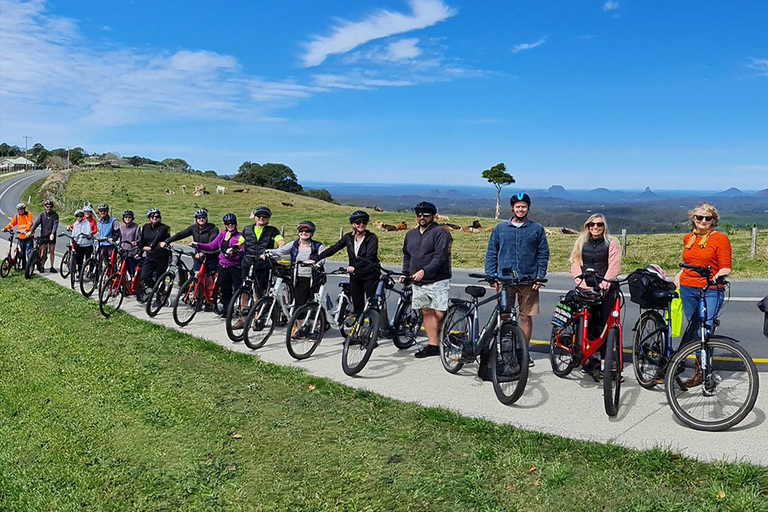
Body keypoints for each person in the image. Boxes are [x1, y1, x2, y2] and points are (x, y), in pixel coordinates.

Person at [484, 192, 549, 367]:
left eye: (524, 206)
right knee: (504, 316)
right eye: (518, 206)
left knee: (526, 317)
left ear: (528, 208)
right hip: (505, 280)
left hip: (528, 280)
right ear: (512, 208)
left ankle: (523, 352)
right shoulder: (500, 229)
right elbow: (492, 252)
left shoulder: (536, 229)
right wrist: (491, 274)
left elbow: (543, 254)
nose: (521, 209)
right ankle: (505, 351)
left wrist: (539, 276)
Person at [568, 213, 621, 376]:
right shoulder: (581, 242)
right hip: (586, 287)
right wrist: (581, 283)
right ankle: (590, 358)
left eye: (599, 225)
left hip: (606, 289)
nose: (595, 227)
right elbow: (575, 263)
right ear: (587, 226)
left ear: (604, 226)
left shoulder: (612, 243)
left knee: (606, 324)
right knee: (588, 323)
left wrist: (605, 282)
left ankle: (606, 360)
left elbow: (614, 265)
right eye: (592, 225)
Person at [401, 201, 452, 358]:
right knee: (426, 312)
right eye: (419, 215)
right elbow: (407, 256)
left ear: (434, 216)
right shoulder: (410, 234)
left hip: (438, 279)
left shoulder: (440, 233)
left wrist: (425, 271)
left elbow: (440, 257)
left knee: (439, 313)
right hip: (419, 281)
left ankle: (442, 334)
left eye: (426, 215)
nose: (422, 217)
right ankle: (433, 345)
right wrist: (405, 273)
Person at [674, 202, 732, 331]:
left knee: (705, 327)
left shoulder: (720, 239)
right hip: (687, 287)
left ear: (713, 221)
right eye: (699, 217)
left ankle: (704, 350)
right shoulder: (688, 238)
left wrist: (718, 276)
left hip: (710, 288)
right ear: (693, 219)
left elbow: (726, 267)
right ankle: (697, 351)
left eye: (708, 218)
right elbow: (691, 263)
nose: (703, 221)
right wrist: (680, 273)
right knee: (693, 327)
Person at [311, 210, 379, 316]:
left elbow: (370, 257)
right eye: (358, 222)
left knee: (372, 305)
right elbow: (334, 249)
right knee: (357, 306)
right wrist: (316, 259)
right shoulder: (348, 237)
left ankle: (374, 329)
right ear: (353, 225)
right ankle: (359, 331)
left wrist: (354, 267)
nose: (361, 224)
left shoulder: (371, 238)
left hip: (369, 275)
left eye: (364, 222)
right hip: (355, 276)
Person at [162, 209, 219, 311]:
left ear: (206, 218)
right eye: (199, 218)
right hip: (198, 257)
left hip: (210, 257)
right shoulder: (194, 228)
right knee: (196, 277)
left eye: (203, 217)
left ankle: (210, 301)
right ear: (196, 219)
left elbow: (212, 243)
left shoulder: (213, 228)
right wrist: (167, 241)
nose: (201, 219)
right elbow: (180, 234)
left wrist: (204, 252)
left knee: (208, 277)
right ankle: (198, 299)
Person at [192, 213, 243, 317]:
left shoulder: (239, 236)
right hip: (223, 265)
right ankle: (226, 309)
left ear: (236, 223)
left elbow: (243, 249)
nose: (230, 225)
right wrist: (198, 244)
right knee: (225, 289)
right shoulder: (222, 234)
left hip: (235, 266)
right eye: (228, 223)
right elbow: (212, 246)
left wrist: (235, 251)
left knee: (238, 288)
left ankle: (240, 309)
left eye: (232, 223)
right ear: (225, 224)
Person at [267, 221, 326, 308]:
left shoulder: (317, 246)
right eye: (301, 231)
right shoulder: (294, 244)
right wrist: (267, 252)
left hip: (313, 279)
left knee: (314, 303)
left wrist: (315, 263)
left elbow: (322, 258)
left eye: (307, 231)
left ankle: (315, 319)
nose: (304, 233)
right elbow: (280, 251)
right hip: (297, 278)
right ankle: (298, 321)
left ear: (312, 233)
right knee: (298, 304)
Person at [236, 206, 285, 297]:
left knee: (260, 288)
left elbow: (280, 241)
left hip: (263, 263)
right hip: (248, 261)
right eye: (259, 216)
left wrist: (278, 250)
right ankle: (242, 309)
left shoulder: (272, 230)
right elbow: (240, 242)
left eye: (264, 217)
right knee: (244, 286)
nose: (261, 218)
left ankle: (258, 309)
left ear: (268, 219)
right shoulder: (247, 229)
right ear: (254, 218)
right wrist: (232, 248)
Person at [137, 208, 171, 303]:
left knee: (160, 277)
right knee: (144, 276)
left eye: (157, 217)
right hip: (150, 256)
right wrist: (139, 251)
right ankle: (157, 290)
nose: (155, 218)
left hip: (162, 256)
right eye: (152, 217)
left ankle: (159, 299)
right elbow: (142, 240)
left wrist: (151, 247)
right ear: (149, 218)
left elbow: (158, 238)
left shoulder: (164, 228)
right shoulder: (146, 227)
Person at [28, 199, 59, 272]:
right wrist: (31, 231)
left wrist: (52, 233)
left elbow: (55, 224)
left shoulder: (55, 215)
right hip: (44, 235)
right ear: (45, 207)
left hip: (51, 235)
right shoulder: (42, 215)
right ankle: (42, 266)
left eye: (50, 206)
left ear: (52, 207)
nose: (48, 208)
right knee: (43, 251)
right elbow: (36, 223)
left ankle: (52, 266)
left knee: (51, 251)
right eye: (47, 206)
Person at [4, 203, 35, 271]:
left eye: (22, 209)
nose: (21, 211)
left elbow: (29, 223)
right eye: (19, 210)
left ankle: (30, 267)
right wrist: (5, 228)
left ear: (24, 209)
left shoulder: (28, 214)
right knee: (22, 253)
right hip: (21, 237)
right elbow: (12, 223)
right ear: (18, 210)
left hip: (28, 237)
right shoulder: (17, 217)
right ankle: (24, 267)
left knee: (29, 252)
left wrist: (26, 230)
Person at [68, 209, 93, 281]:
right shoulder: (76, 224)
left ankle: (90, 272)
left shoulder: (86, 223)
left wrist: (85, 235)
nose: (79, 218)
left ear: (83, 217)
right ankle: (79, 273)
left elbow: (88, 232)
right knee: (79, 260)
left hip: (87, 244)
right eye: (77, 216)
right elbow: (73, 234)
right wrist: (73, 238)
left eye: (81, 216)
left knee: (88, 260)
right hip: (80, 244)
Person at [117, 210, 141, 280]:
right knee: (122, 269)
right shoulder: (121, 227)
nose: (127, 219)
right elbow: (120, 238)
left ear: (132, 218)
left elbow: (140, 239)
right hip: (123, 251)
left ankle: (133, 284)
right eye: (126, 217)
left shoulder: (136, 227)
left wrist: (135, 242)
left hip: (132, 252)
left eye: (129, 217)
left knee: (132, 269)